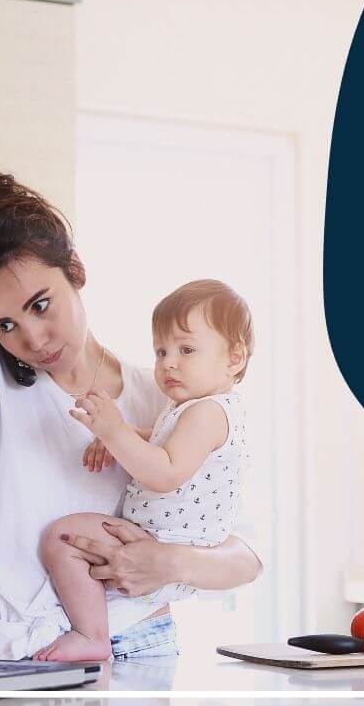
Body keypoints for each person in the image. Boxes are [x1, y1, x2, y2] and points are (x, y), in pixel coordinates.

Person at [0, 172, 262, 660]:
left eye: (41, 305)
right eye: (5, 325)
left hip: (143, 641)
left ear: (75, 272)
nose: (32, 340)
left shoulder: (167, 394)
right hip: (19, 648)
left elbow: (246, 555)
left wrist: (169, 562)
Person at [33, 279, 253, 661]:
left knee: (62, 539)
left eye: (186, 349)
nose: (169, 362)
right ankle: (93, 632)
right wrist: (127, 436)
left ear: (234, 358)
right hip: (162, 543)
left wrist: (114, 431)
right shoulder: (193, 410)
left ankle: (91, 634)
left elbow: (166, 472)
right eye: (161, 351)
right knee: (70, 540)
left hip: (165, 544)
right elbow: (164, 441)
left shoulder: (208, 412)